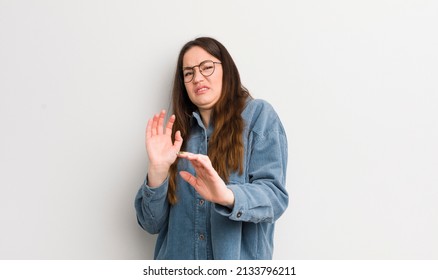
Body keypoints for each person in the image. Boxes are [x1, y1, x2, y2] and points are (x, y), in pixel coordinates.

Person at [135, 37, 288, 260]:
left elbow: (275, 198)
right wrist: (157, 172)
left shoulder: (258, 116)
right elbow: (151, 224)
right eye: (188, 73)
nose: (197, 78)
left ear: (227, 70)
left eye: (207, 67)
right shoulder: (176, 137)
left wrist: (227, 196)